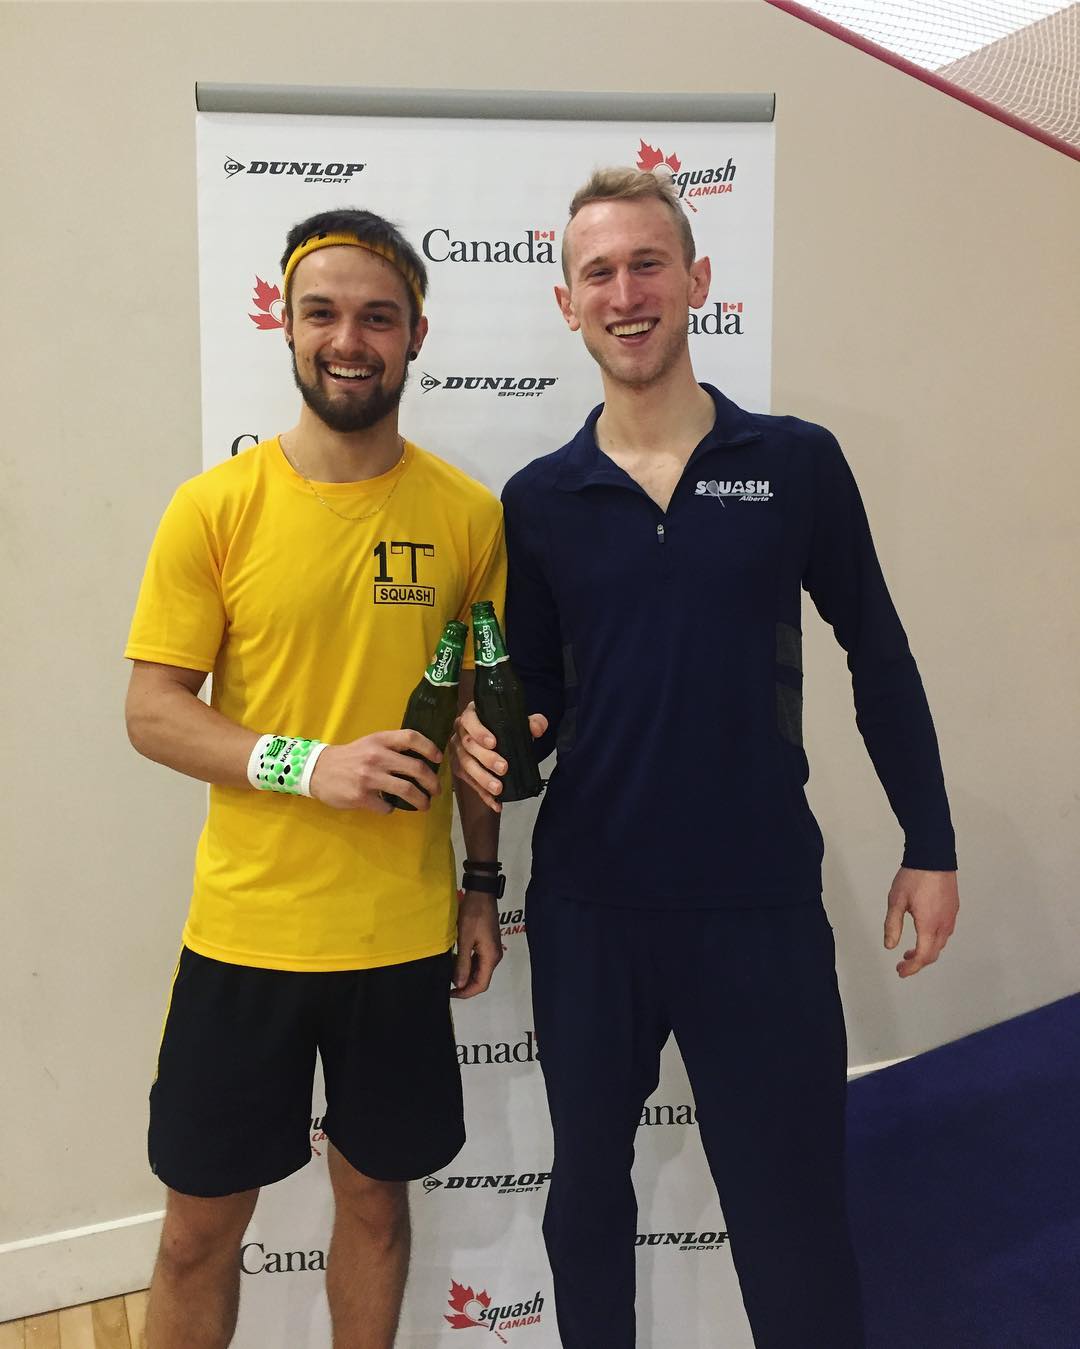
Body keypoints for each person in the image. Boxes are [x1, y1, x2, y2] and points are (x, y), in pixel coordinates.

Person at [451, 168, 960, 1349]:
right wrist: (497, 734)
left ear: (697, 283)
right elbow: (537, 702)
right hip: (591, 909)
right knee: (585, 1207)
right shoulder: (540, 499)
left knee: (793, 1224)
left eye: (647, 265)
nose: (625, 294)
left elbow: (877, 653)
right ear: (567, 303)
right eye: (599, 273)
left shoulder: (792, 463)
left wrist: (929, 842)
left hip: (759, 907)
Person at [125, 208, 506, 1349]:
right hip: (247, 932)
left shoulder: (467, 513)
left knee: (375, 1206)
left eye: (377, 316)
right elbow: (152, 710)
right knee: (198, 1228)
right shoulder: (215, 508)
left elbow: (481, 717)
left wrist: (482, 881)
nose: (350, 338)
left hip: (397, 936)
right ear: (288, 329)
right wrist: (306, 763)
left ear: (416, 334)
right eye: (324, 312)